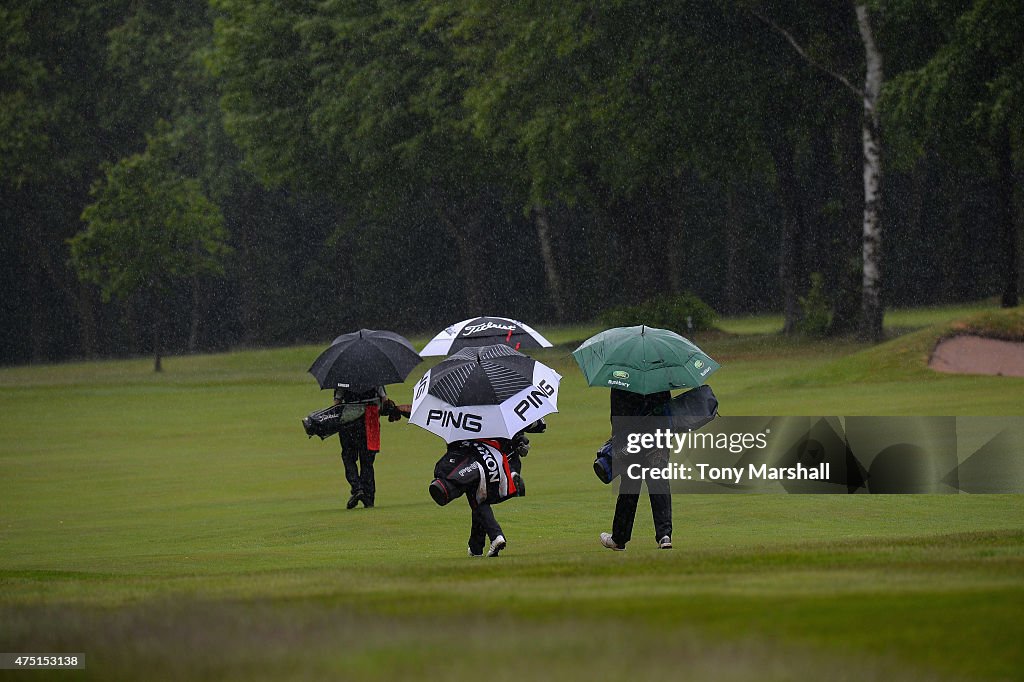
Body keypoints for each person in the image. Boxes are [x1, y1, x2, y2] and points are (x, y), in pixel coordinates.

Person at [599, 388, 674, 551]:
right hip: (657, 436)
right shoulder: (659, 374)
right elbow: (667, 407)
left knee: (629, 486)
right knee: (659, 483)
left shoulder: (622, 379)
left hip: (631, 441)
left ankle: (619, 538)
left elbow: (617, 415)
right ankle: (664, 535)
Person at [428, 438, 523, 557]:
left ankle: (496, 536)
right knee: (477, 501)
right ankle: (476, 547)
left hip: (473, 463)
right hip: (493, 461)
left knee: (477, 500)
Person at [333, 385, 405, 509]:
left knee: (349, 457)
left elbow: (336, 403)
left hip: (349, 421)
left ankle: (357, 488)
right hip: (370, 420)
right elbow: (384, 401)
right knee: (367, 461)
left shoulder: (343, 379)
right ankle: (369, 497)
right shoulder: (375, 376)